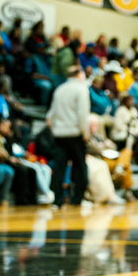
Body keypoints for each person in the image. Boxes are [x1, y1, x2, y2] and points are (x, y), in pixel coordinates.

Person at [47, 64, 90, 208]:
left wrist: (55, 131)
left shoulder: (59, 89)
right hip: (75, 134)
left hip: (59, 135)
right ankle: (77, 199)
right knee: (79, 167)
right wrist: (85, 133)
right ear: (79, 74)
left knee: (59, 168)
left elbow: (50, 115)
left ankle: (57, 200)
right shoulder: (81, 88)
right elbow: (83, 114)